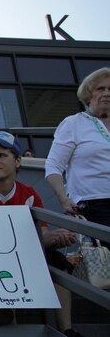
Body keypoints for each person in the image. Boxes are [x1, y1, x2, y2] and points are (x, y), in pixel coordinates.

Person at [0, 131, 98, 337]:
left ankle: (67, 330)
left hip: (22, 252)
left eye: (1, 156)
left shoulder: (29, 193)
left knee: (58, 262)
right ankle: (3, 315)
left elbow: (41, 237)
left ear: (17, 161)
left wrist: (57, 237)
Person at [45, 67, 110, 230]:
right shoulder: (74, 123)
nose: (107, 93)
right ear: (89, 94)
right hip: (95, 204)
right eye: (101, 89)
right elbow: (53, 166)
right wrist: (63, 198)